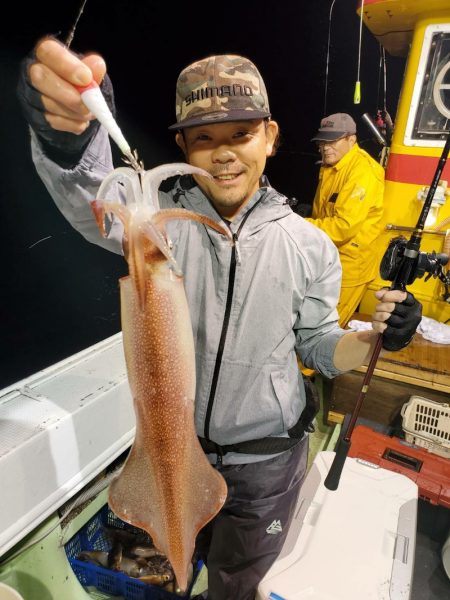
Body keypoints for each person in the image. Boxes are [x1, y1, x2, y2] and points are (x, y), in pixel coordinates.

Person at [17, 38, 421, 600]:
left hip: (266, 462)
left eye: (241, 133)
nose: (224, 152)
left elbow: (319, 345)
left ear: (271, 138)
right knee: (179, 566)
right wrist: (70, 141)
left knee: (238, 581)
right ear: (182, 146)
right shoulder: (161, 227)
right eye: (203, 138)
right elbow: (91, 205)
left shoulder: (310, 245)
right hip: (175, 450)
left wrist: (377, 335)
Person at [306, 113, 385, 327]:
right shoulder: (331, 165)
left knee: (325, 328)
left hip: (349, 267)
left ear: (351, 140)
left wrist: (298, 226)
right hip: (326, 258)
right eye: (322, 141)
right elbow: (321, 215)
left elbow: (343, 227)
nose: (325, 147)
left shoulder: (364, 172)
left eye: (332, 141)